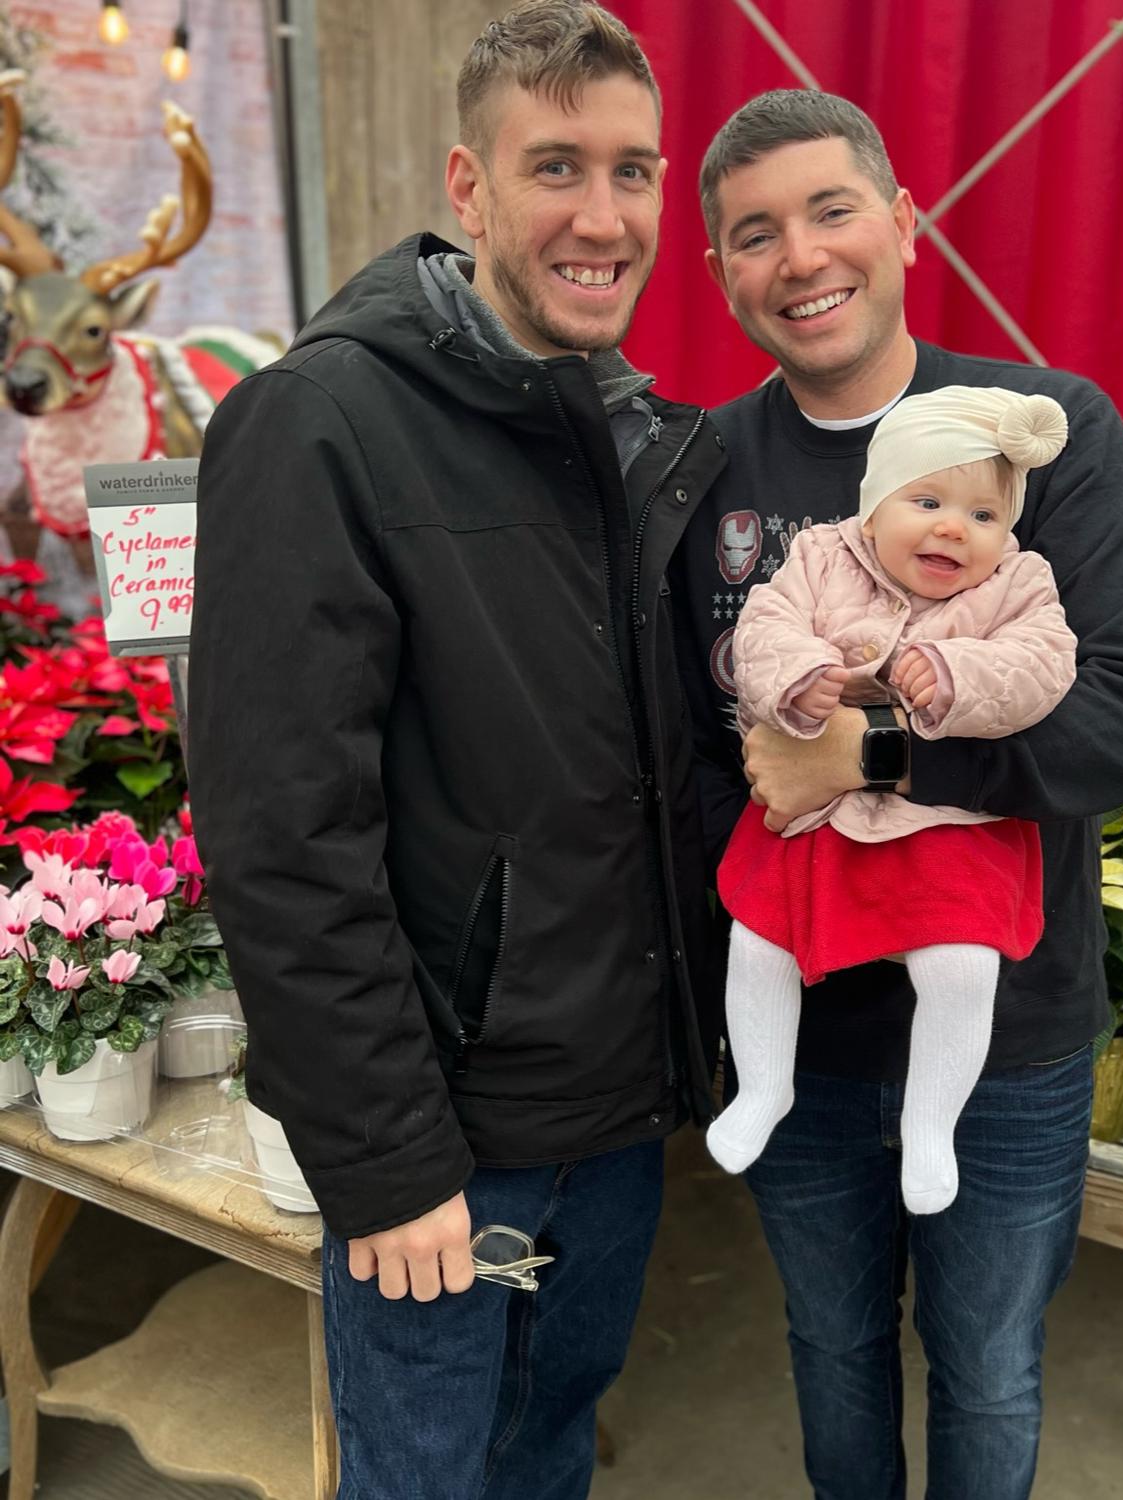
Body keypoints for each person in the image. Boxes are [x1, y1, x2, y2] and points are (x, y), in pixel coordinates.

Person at [188, 6, 725, 1498]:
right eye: (556, 167)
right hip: (451, 1144)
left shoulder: (617, 427)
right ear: (468, 186)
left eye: (633, 172)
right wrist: (390, 1163)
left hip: (609, 1117)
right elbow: (282, 837)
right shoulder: (320, 425)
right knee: (427, 1476)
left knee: (549, 1452)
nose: (602, 217)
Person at [674, 89, 1123, 1498]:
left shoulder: (1045, 436)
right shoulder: (705, 468)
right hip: (805, 1014)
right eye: (753, 234)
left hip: (1005, 1032)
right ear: (720, 274)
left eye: (831, 209)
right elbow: (674, 731)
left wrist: (877, 758)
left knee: (989, 1369)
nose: (800, 257)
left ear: (903, 223)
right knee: (830, 1352)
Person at [710, 384, 1078, 1217]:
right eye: (927, 500)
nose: (955, 527)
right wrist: (798, 677)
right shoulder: (819, 557)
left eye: (985, 516)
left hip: (944, 823)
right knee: (759, 939)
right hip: (816, 810)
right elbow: (764, 628)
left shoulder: (1021, 584)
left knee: (961, 965)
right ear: (873, 509)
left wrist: (959, 675)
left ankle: (932, 1122)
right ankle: (763, 1088)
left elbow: (1041, 664)